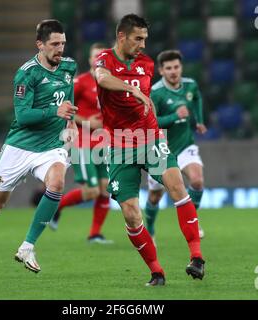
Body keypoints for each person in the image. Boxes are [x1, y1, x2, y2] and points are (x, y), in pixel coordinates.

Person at [0, 19, 78, 274]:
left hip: (51, 146)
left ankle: (28, 246)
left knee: (57, 183)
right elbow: (23, 117)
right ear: (39, 45)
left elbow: (67, 97)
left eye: (63, 43)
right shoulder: (26, 73)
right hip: (20, 147)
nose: (60, 49)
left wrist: (72, 121)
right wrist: (56, 111)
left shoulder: (69, 67)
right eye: (54, 44)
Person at [93, 14, 205, 286]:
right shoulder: (105, 59)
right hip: (119, 144)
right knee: (131, 214)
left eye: (145, 39)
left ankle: (197, 258)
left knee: (177, 184)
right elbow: (102, 78)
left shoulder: (146, 63)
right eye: (138, 38)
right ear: (122, 37)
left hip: (150, 138)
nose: (143, 44)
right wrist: (136, 93)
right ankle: (157, 272)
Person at [48, 43, 113, 244]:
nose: (98, 60)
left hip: (104, 142)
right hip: (82, 142)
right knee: (92, 191)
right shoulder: (81, 82)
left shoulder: (111, 82)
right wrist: (87, 122)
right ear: (89, 60)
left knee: (105, 190)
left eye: (101, 56)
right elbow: (63, 107)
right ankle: (56, 207)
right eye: (95, 56)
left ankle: (94, 234)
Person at [145, 50, 207, 242]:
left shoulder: (190, 85)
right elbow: (151, 121)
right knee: (155, 197)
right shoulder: (156, 92)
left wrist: (199, 120)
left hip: (185, 145)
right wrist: (175, 116)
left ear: (181, 67)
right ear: (161, 71)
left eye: (176, 67)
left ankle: (192, 222)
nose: (173, 71)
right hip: (161, 150)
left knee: (197, 181)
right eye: (168, 68)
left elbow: (197, 98)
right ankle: (151, 229)